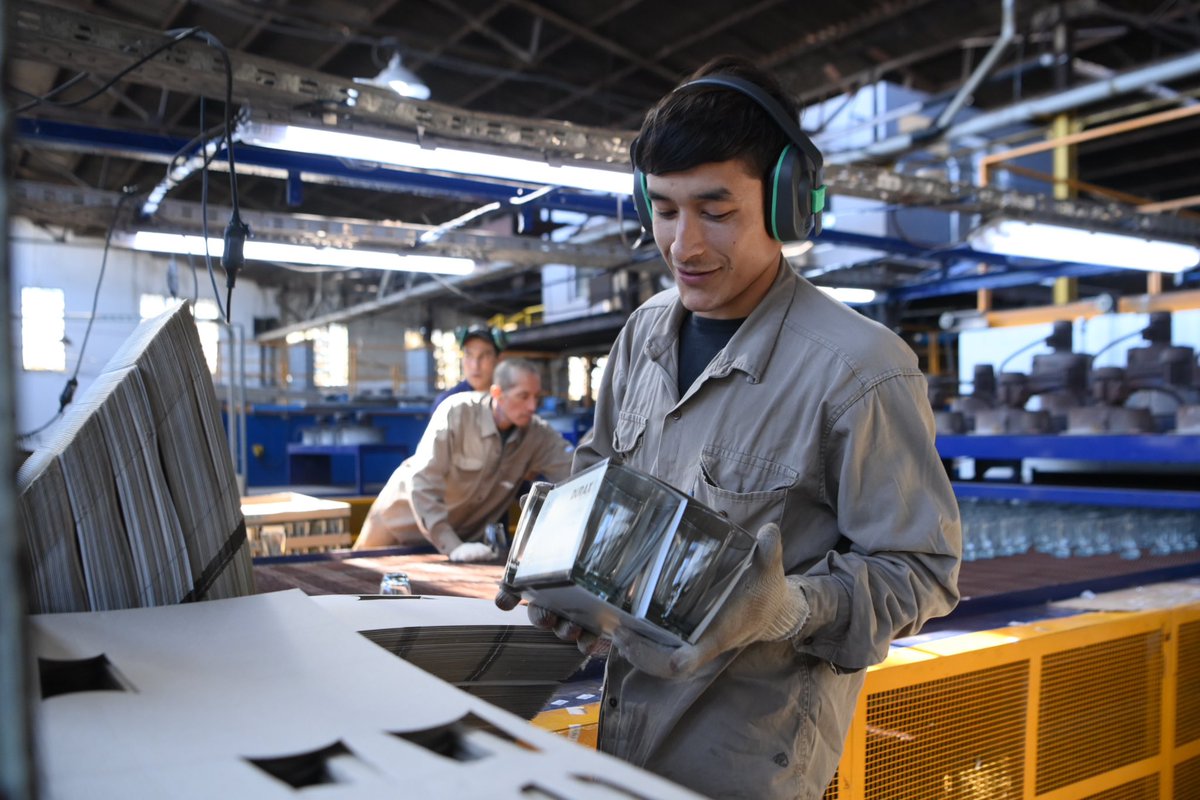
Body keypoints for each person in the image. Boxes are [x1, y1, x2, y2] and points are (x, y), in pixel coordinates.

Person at [497, 56, 961, 799]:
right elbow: (596, 475)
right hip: (620, 740)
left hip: (747, 765)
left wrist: (791, 609)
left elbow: (925, 571)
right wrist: (561, 570)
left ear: (786, 206)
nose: (685, 245)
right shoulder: (642, 335)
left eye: (716, 210)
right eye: (666, 208)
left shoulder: (860, 370)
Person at [354, 358, 573, 561]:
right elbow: (423, 481)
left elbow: (575, 471)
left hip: (461, 541)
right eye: (523, 396)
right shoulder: (457, 412)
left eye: (537, 397)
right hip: (398, 524)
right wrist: (452, 545)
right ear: (497, 393)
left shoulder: (537, 436)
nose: (532, 407)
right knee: (359, 587)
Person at [431, 324, 504, 410]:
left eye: (484, 356)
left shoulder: (510, 400)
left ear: (499, 359)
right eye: (469, 355)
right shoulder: (447, 403)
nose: (475, 365)